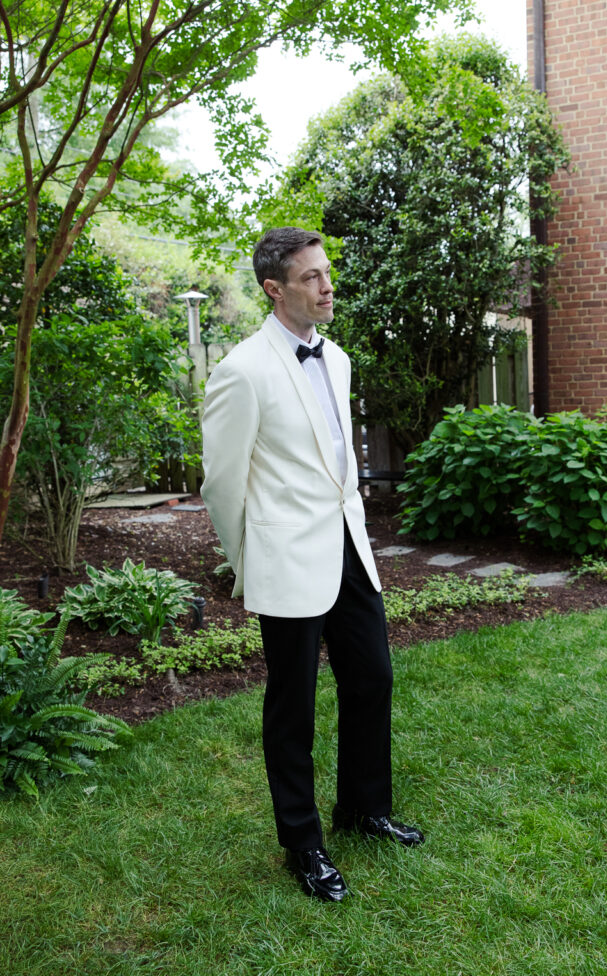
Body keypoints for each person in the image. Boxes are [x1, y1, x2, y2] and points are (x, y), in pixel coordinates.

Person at [201, 227, 423, 902]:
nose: (326, 286)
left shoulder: (338, 358)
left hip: (348, 548)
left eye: (326, 273)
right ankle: (303, 846)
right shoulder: (242, 369)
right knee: (291, 707)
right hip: (285, 559)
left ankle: (363, 809)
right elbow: (221, 482)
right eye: (310, 278)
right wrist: (249, 560)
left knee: (371, 680)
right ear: (274, 289)